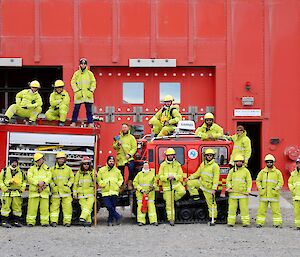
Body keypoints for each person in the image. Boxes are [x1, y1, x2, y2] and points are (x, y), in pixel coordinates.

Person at [187, 149, 220, 224]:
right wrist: (189, 178)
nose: (209, 157)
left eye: (210, 155)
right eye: (207, 155)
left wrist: (214, 189)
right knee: (190, 183)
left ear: (213, 156)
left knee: (211, 203)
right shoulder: (203, 164)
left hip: (209, 187)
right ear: (205, 156)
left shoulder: (215, 166)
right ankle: (196, 197)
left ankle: (213, 217)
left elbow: (216, 178)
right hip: (201, 183)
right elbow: (197, 173)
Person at [158, 148, 186, 225]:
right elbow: (160, 176)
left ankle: (173, 199)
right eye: (169, 155)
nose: (171, 156)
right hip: (167, 186)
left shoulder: (177, 164)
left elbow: (180, 174)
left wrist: (174, 177)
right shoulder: (163, 165)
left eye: (172, 155)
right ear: (166, 156)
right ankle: (171, 219)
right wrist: (167, 178)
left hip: (176, 184)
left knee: (182, 191)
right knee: (169, 205)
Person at [256, 154, 283, 228]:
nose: (269, 163)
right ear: (266, 163)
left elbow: (280, 182)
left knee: (276, 211)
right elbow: (258, 181)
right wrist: (260, 189)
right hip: (263, 195)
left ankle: (277, 223)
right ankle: (260, 223)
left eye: (270, 162)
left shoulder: (277, 172)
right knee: (261, 210)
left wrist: (276, 189)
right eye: (268, 162)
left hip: (274, 195)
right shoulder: (262, 172)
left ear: (273, 162)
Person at [226, 155, 252, 227]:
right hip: (233, 194)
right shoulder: (232, 171)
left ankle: (245, 222)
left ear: (243, 162)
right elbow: (228, 180)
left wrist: (248, 190)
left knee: (244, 209)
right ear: (235, 162)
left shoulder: (246, 171)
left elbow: (249, 181)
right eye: (237, 161)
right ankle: (231, 222)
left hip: (243, 194)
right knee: (232, 209)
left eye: (240, 161)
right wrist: (229, 187)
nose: (239, 163)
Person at [26, 152, 52, 227]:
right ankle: (30, 222)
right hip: (34, 191)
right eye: (38, 160)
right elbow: (29, 178)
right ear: (35, 161)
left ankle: (45, 222)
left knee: (44, 209)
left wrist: (43, 182)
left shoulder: (47, 168)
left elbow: (49, 177)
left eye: (41, 159)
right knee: (31, 208)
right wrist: (37, 183)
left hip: (44, 191)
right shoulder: (31, 169)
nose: (40, 161)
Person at [49, 152, 74, 227]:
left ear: (64, 160)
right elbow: (49, 179)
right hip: (56, 192)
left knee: (67, 208)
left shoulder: (68, 169)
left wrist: (68, 185)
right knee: (54, 208)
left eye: (62, 159)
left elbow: (72, 178)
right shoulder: (52, 169)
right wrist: (53, 186)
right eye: (59, 159)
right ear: (57, 160)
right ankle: (53, 221)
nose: (60, 160)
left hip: (66, 192)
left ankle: (67, 222)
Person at [97, 156, 123, 226]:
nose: (111, 162)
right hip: (106, 192)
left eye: (112, 161)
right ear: (107, 162)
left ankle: (110, 221)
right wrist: (102, 184)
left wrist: (118, 184)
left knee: (113, 206)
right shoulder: (102, 170)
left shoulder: (117, 171)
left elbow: (121, 179)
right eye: (110, 161)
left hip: (114, 191)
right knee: (108, 206)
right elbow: (99, 179)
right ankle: (118, 216)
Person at [0, 158, 26, 227]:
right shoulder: (4, 171)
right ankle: (4, 222)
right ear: (10, 163)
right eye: (13, 163)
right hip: (7, 192)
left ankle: (16, 221)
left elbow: (24, 181)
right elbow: (0, 181)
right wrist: (4, 188)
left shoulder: (21, 172)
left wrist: (22, 189)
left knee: (17, 208)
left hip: (17, 193)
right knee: (5, 208)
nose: (14, 164)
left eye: (15, 163)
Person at [70, 58, 96, 128]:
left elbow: (93, 82)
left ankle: (90, 123)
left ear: (86, 65)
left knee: (89, 110)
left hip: (88, 94)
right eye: (82, 64)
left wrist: (91, 91)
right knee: (76, 109)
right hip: (79, 95)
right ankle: (73, 122)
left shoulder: (90, 74)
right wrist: (76, 91)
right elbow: (72, 82)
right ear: (80, 64)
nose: (83, 65)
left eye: (84, 64)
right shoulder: (76, 73)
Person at [113, 123, 137, 191]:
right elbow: (114, 147)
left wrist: (129, 154)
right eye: (123, 127)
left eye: (125, 127)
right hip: (120, 158)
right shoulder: (118, 137)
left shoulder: (131, 137)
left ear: (128, 128)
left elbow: (134, 148)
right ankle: (122, 185)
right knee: (121, 173)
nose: (124, 129)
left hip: (129, 158)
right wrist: (117, 143)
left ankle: (129, 183)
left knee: (131, 169)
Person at [133, 161, 158, 226]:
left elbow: (155, 182)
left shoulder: (152, 174)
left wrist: (153, 187)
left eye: (147, 165)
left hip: (150, 194)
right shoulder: (139, 174)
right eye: (145, 165)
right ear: (143, 166)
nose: (146, 166)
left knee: (151, 207)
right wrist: (141, 190)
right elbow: (135, 183)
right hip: (141, 194)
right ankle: (141, 221)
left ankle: (153, 221)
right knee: (141, 207)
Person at [73, 156, 95, 227]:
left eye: (87, 164)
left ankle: (82, 218)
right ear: (82, 165)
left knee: (88, 206)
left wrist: (96, 176)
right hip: (81, 194)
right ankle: (88, 221)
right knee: (84, 208)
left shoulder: (92, 172)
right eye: (84, 164)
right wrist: (74, 193)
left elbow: (97, 181)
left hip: (90, 194)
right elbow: (75, 184)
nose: (86, 165)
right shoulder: (79, 173)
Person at [288, 158, 300, 229]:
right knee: (297, 212)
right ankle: (298, 225)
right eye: (298, 163)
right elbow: (290, 183)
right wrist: (294, 191)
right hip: (296, 197)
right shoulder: (293, 175)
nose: (299, 165)